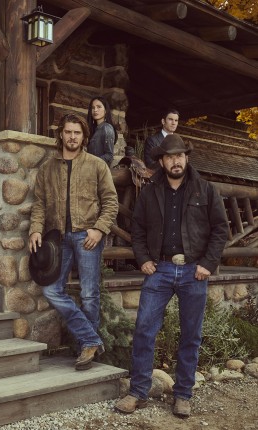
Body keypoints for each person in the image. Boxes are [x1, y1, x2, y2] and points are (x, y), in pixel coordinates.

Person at [115, 134, 228, 418]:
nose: (175, 161)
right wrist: (143, 259)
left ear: (186, 158)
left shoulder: (205, 190)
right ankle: (138, 392)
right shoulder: (150, 192)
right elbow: (137, 228)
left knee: (191, 335)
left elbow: (220, 230)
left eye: (179, 156)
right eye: (170, 157)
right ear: (162, 161)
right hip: (160, 269)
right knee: (144, 329)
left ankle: (183, 395)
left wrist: (207, 263)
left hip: (194, 271)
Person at [29, 113, 119, 370]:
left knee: (89, 294)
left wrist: (99, 230)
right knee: (51, 290)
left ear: (83, 136)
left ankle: (85, 350)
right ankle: (91, 340)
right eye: (68, 132)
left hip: (87, 236)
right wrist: (35, 230)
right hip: (57, 239)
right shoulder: (48, 168)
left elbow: (111, 202)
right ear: (61, 134)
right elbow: (40, 203)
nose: (72, 136)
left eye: (77, 132)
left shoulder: (96, 165)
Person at [86, 96, 118, 166]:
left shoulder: (107, 128)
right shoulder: (94, 129)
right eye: (93, 108)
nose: (95, 110)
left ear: (105, 110)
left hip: (99, 170)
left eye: (99, 107)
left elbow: (109, 156)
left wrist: (91, 163)